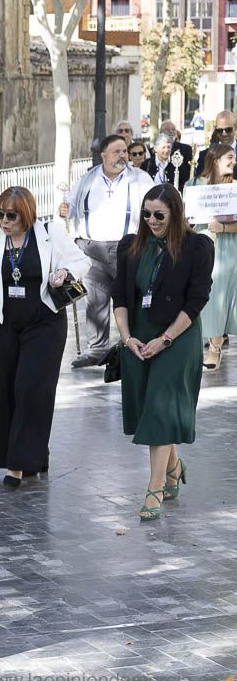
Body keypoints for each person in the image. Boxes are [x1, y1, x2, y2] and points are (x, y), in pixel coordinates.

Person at [0, 187, 90, 486]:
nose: (4, 221)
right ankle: (35, 455)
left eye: (11, 215)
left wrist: (65, 272)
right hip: (4, 323)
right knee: (5, 389)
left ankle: (17, 465)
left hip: (44, 322)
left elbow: (82, 261)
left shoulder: (50, 233)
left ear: (26, 214)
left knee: (32, 389)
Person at [113, 185, 214, 520]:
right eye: (146, 214)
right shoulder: (131, 246)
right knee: (149, 410)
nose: (151, 220)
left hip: (177, 337)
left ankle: (154, 490)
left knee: (160, 407)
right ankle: (174, 468)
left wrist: (166, 339)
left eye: (159, 214)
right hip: (138, 336)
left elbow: (197, 301)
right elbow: (120, 297)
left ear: (175, 213)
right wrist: (127, 339)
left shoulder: (198, 247)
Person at [60, 134, 156, 368]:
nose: (123, 155)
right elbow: (70, 206)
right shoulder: (87, 179)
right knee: (95, 300)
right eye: (117, 151)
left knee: (131, 296)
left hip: (128, 247)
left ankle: (135, 344)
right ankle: (97, 349)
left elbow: (156, 203)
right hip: (92, 248)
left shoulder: (140, 179)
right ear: (103, 155)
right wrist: (65, 208)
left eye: (125, 151)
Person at [185, 144, 237, 370]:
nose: (233, 162)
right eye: (229, 158)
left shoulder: (234, 188)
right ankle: (205, 343)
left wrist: (223, 228)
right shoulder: (194, 185)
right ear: (215, 160)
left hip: (228, 246)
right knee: (204, 294)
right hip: (201, 244)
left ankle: (215, 347)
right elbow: (184, 217)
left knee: (224, 295)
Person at [194, 110, 236, 178]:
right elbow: (200, 183)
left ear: (235, 127)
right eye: (220, 130)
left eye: (228, 129)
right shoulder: (205, 155)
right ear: (215, 128)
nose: (224, 133)